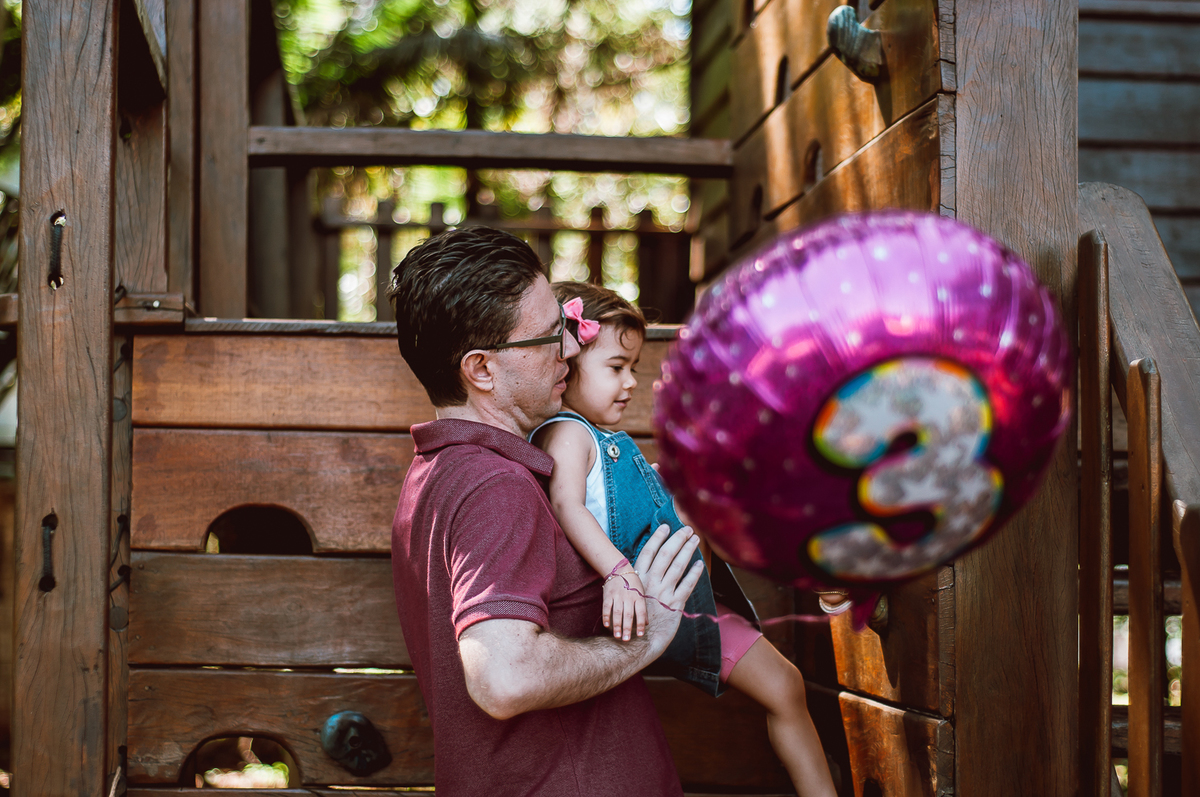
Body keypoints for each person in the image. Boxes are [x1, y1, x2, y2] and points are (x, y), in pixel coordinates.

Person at [386, 226, 705, 796]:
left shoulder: (436, 473)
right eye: (548, 337)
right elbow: (502, 679)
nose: (573, 347)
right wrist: (645, 638)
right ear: (481, 369)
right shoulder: (494, 486)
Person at [531, 281, 838, 797]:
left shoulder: (603, 440)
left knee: (785, 686)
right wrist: (618, 573)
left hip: (680, 589)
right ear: (566, 362)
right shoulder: (569, 434)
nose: (630, 382)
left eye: (633, 368)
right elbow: (567, 506)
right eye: (616, 367)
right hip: (644, 601)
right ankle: (824, 573)